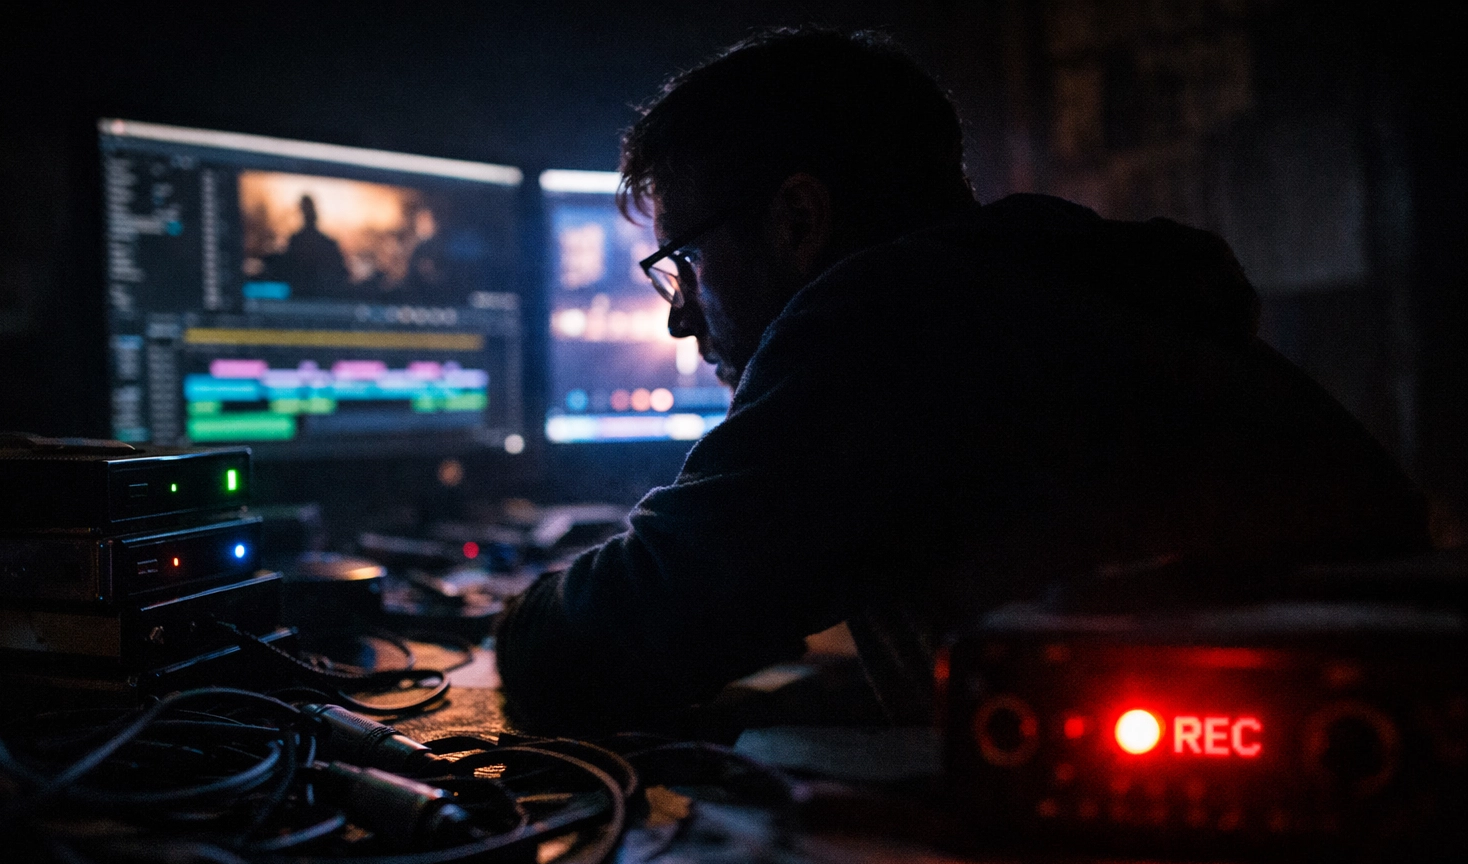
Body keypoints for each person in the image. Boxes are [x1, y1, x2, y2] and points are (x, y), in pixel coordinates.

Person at [494, 28, 1428, 731]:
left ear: (797, 218)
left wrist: (518, 618)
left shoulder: (889, 314)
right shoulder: (1046, 293)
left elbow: (605, 644)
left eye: (685, 262)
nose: (681, 314)